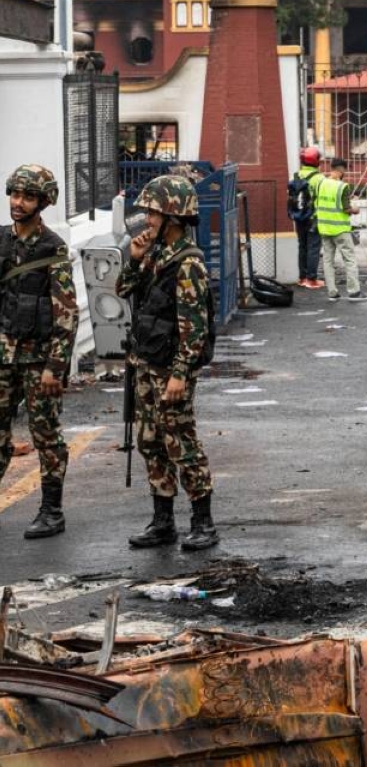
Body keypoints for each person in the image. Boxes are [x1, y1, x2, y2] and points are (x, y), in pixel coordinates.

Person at [116, 174, 219, 551]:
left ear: (173, 217)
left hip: (170, 369)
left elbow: (194, 328)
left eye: (154, 213)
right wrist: (135, 259)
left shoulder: (188, 263)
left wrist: (180, 374)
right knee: (150, 441)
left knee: (180, 441)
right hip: (146, 363)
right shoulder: (156, 253)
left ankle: (203, 521)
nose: (147, 220)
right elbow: (123, 289)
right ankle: (163, 522)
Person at [0, 165, 77, 539]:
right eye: (15, 194)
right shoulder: (1, 241)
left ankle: (51, 511)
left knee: (45, 433)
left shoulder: (53, 248)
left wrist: (55, 367)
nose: (18, 202)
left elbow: (66, 312)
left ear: (44, 201)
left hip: (38, 358)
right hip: (3, 355)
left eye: (28, 197)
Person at [317, 158, 367, 301]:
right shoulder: (343, 186)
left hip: (324, 228)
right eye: (345, 170)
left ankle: (332, 293)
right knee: (349, 260)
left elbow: (325, 202)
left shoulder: (321, 183)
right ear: (341, 170)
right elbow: (346, 209)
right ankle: (354, 292)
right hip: (340, 229)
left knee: (328, 260)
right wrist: (355, 209)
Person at [288, 146, 324, 290]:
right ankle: (312, 279)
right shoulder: (319, 178)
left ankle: (302, 278)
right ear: (316, 161)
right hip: (313, 217)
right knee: (313, 247)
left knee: (302, 246)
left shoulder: (296, 176)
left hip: (299, 217)